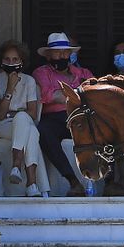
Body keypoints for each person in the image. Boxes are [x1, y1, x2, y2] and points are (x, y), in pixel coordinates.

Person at [34, 31, 92, 196]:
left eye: (65, 52)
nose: (62, 56)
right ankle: (73, 181)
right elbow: (48, 96)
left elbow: (94, 94)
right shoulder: (41, 73)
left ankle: (112, 182)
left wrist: (65, 94)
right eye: (57, 52)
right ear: (48, 55)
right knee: (44, 132)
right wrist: (78, 94)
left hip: (81, 117)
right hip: (54, 119)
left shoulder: (84, 73)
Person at [0, 39, 46, 197]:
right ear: (1, 61)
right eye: (7, 59)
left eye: (15, 59)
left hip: (22, 123)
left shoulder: (29, 81)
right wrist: (10, 88)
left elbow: (32, 113)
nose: (11, 62)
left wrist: (16, 113)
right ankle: (32, 184)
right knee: (29, 127)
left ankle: (17, 169)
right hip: (0, 126)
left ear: (21, 61)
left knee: (28, 127)